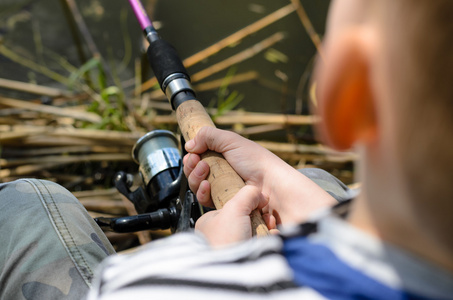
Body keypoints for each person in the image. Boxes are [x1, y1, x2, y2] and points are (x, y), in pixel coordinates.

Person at [1, 0, 452, 299]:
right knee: (319, 184)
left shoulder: (152, 287)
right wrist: (303, 195)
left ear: (342, 99)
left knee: (31, 205)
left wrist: (210, 255)